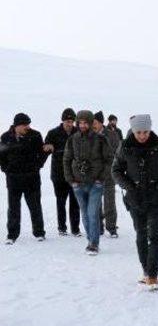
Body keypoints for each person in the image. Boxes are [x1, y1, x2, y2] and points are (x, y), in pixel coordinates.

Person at [112, 114, 158, 289]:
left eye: (145, 131)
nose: (142, 135)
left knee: (154, 234)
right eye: (139, 132)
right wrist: (130, 187)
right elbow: (116, 170)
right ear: (133, 131)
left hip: (156, 197)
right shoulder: (125, 146)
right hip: (135, 198)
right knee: (141, 234)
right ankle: (146, 270)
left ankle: (153, 274)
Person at [63, 110, 113, 254]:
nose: (83, 125)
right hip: (78, 183)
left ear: (91, 123)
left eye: (86, 123)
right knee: (84, 214)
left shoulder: (100, 139)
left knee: (92, 213)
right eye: (80, 123)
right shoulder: (72, 139)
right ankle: (90, 239)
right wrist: (71, 180)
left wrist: (101, 178)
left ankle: (93, 244)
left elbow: (109, 160)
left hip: (95, 184)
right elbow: (66, 160)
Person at [0, 113, 47, 244]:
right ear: (17, 125)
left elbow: (42, 153)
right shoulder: (6, 137)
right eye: (25, 125)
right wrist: (6, 169)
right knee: (13, 208)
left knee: (35, 206)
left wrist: (37, 166)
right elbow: (2, 155)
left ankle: (39, 232)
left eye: (28, 124)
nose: (27, 127)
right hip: (13, 178)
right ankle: (12, 234)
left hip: (32, 178)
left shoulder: (35, 135)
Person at [44, 108, 80, 236]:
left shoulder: (78, 132)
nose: (69, 124)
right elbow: (45, 145)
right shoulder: (53, 133)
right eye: (67, 121)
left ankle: (75, 229)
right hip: (58, 174)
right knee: (60, 201)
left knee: (75, 202)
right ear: (63, 120)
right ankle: (62, 228)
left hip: (75, 174)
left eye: (72, 121)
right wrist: (47, 146)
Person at [93, 111, 120, 237]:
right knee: (96, 203)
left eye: (95, 123)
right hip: (94, 176)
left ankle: (112, 227)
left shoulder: (112, 135)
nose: (93, 125)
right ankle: (99, 227)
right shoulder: (89, 135)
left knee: (110, 203)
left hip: (108, 175)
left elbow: (117, 154)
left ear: (101, 123)